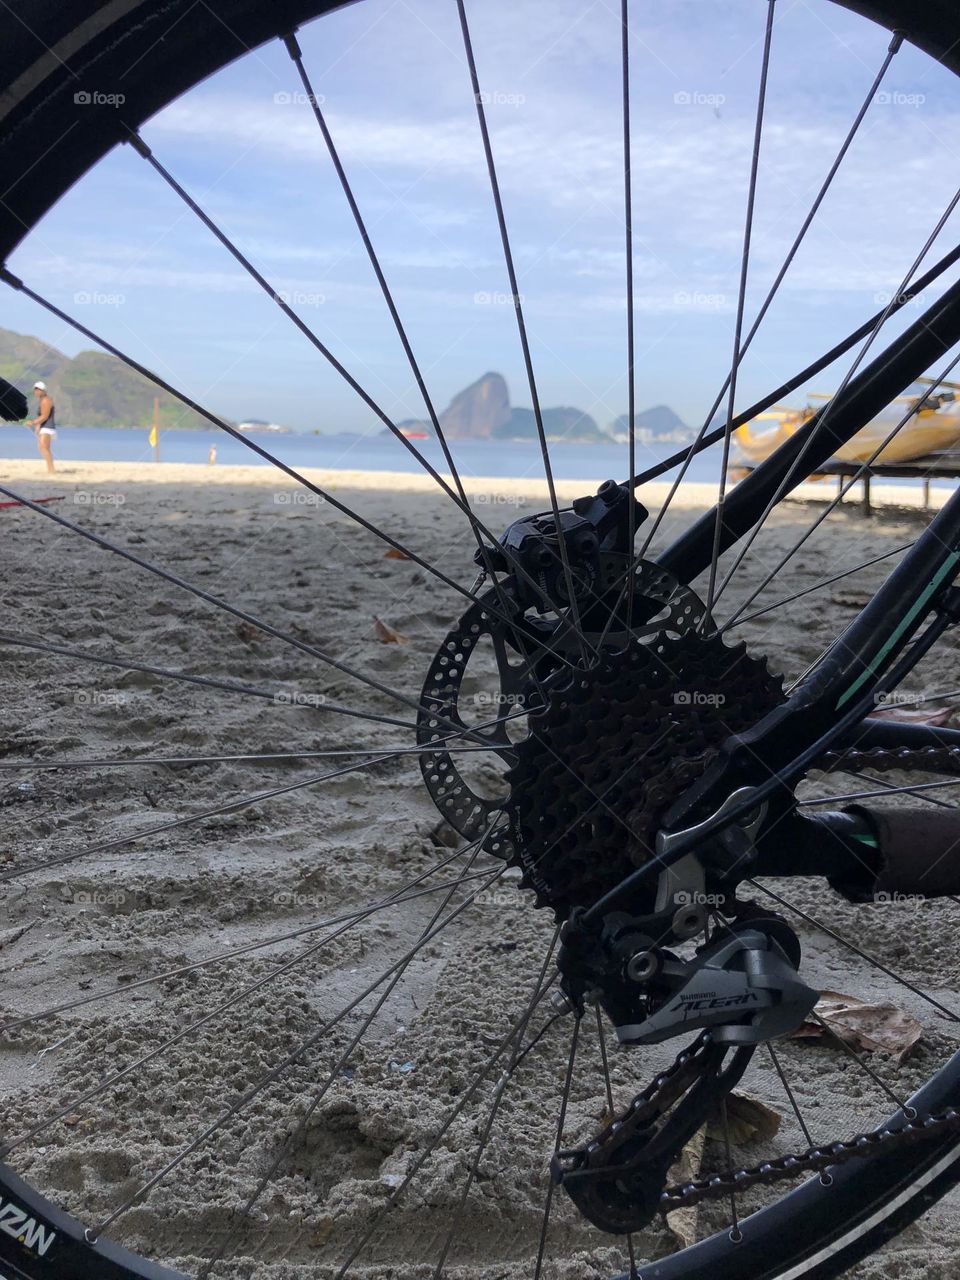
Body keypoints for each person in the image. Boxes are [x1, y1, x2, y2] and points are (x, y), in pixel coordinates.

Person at [27, 380, 56, 473]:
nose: (36, 392)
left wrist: (33, 422)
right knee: (44, 448)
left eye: (38, 390)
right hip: (44, 427)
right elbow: (42, 417)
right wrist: (37, 427)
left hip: (48, 428)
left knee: (44, 448)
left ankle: (51, 470)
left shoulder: (46, 400)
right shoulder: (42, 400)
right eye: (35, 390)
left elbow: (45, 416)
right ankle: (51, 469)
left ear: (43, 390)